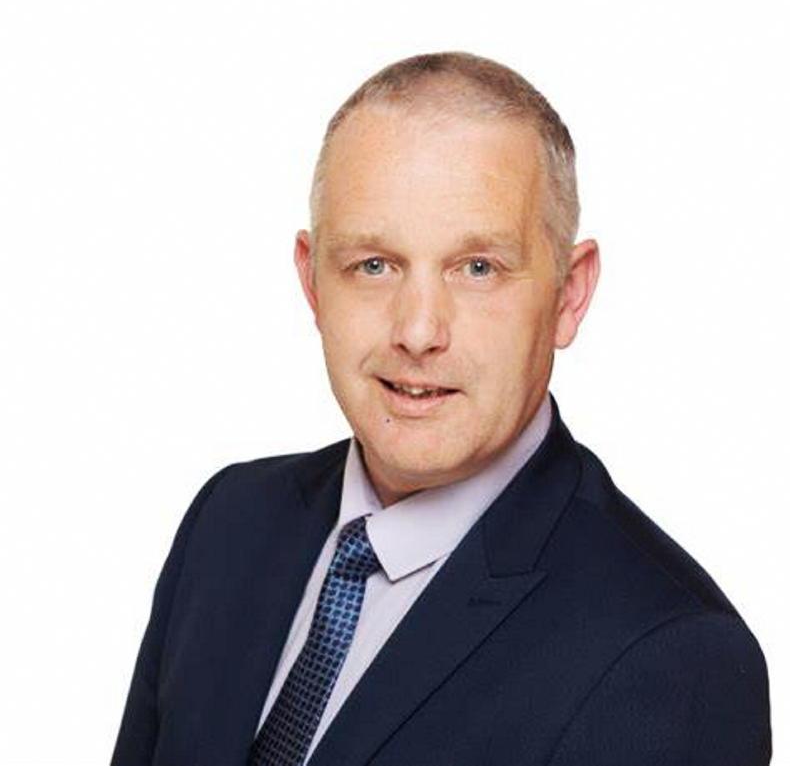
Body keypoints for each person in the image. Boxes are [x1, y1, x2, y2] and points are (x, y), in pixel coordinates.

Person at [110, 51, 772, 766]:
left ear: (569, 294)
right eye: (373, 265)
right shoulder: (228, 522)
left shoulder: (671, 658)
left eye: (478, 268)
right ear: (312, 282)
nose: (419, 331)